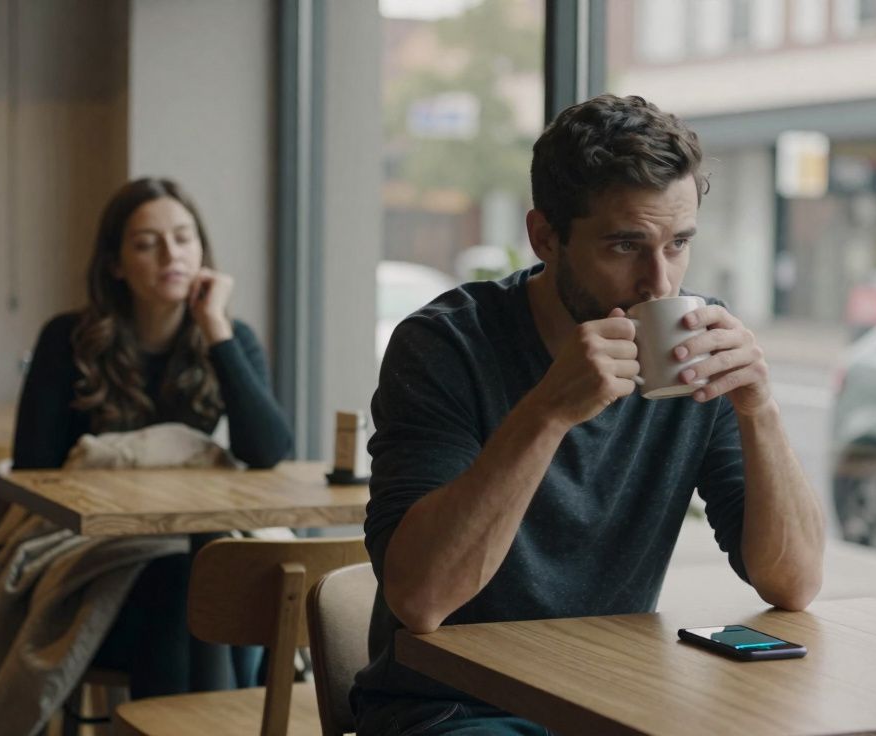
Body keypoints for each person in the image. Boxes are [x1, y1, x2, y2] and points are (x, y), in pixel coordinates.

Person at [352, 95, 825, 735]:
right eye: (626, 245)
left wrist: (758, 407)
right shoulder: (446, 346)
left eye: (678, 244)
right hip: (455, 708)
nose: (659, 283)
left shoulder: (698, 350)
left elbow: (793, 584)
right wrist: (547, 411)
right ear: (545, 237)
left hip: (612, 700)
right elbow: (422, 599)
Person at [12, 176, 293, 697]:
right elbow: (32, 471)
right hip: (91, 573)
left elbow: (268, 451)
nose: (171, 254)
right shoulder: (66, 341)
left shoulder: (231, 338)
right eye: (147, 243)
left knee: (222, 583)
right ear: (115, 265)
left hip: (192, 563)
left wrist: (214, 327)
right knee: (190, 587)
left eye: (184, 238)